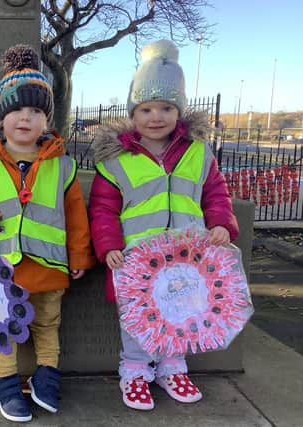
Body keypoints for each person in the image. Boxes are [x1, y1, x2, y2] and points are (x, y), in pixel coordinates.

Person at [88, 40, 239, 411]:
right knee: (139, 319)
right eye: (146, 108)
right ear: (133, 112)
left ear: (180, 111)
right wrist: (108, 246)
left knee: (183, 314)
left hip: (188, 257)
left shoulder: (198, 153)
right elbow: (103, 208)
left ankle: (172, 367)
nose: (156, 117)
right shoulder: (116, 161)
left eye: (167, 107)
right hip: (136, 260)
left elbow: (215, 194)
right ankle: (136, 370)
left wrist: (221, 224)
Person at [0, 44, 95, 422]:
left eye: (36, 111)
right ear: (1, 116)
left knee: (47, 324)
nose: (25, 118)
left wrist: (79, 256)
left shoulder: (62, 166)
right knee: (0, 327)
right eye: (16, 109)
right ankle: (7, 383)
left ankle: (47, 375)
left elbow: (75, 214)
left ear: (47, 120)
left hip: (47, 265)